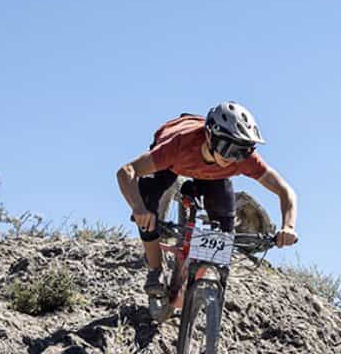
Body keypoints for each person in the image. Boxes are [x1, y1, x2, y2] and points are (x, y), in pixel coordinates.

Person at [116, 101, 299, 296]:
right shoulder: (177, 146)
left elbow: (285, 190)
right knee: (147, 211)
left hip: (212, 175)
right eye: (227, 148)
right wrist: (138, 209)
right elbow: (126, 172)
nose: (233, 158)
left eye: (242, 150)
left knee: (225, 227)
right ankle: (155, 270)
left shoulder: (244, 159)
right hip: (171, 163)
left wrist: (288, 227)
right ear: (210, 136)